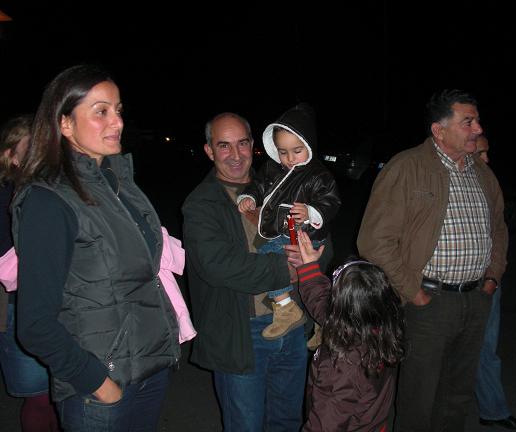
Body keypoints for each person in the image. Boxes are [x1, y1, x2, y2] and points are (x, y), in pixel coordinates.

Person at [12, 64, 181, 432]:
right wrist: (98, 383)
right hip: (102, 385)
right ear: (65, 123)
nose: (117, 121)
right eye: (100, 111)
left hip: (149, 369)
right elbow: (35, 324)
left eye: (118, 109)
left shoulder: (118, 183)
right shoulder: (49, 200)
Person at [357, 89, 508, 432]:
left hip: (476, 299)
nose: (478, 128)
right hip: (428, 303)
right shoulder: (407, 167)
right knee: (419, 399)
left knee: (457, 396)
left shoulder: (482, 173)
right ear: (439, 130)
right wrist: (413, 292)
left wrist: (492, 278)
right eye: (468, 121)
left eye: (477, 120)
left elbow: (498, 230)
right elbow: (374, 241)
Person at [182, 112, 333, 431]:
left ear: (254, 145)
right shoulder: (202, 203)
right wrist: (292, 270)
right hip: (243, 334)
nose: (235, 155)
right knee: (245, 424)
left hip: (294, 328)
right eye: (224, 145)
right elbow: (219, 266)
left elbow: (323, 243)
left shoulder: (283, 183)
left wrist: (315, 256)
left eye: (242, 143)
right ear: (209, 150)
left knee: (287, 421)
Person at [237, 102, 340, 342]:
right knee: (292, 275)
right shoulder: (272, 168)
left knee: (297, 272)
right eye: (283, 152)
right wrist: (249, 197)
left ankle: (295, 311)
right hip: (282, 231)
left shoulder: (318, 174)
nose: (290, 158)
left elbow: (331, 201)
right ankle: (313, 317)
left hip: (307, 237)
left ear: (309, 145)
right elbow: (258, 185)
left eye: (297, 150)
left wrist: (311, 212)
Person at [296, 231, 405, 431]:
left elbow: (325, 424)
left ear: (340, 308)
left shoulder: (342, 366)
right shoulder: (381, 328)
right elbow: (322, 304)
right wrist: (309, 267)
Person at [0, 115, 60, 431]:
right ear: (11, 156)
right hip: (18, 307)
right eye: (31, 146)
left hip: (57, 303)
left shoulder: (52, 189)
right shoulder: (7, 196)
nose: (41, 152)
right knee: (39, 396)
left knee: (63, 391)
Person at [474, 135, 516, 430]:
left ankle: (493, 410)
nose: (486, 159)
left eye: (487, 152)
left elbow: (500, 233)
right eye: (480, 153)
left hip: (487, 282)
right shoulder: (441, 183)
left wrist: (493, 275)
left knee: (486, 349)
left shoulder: (489, 185)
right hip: (448, 287)